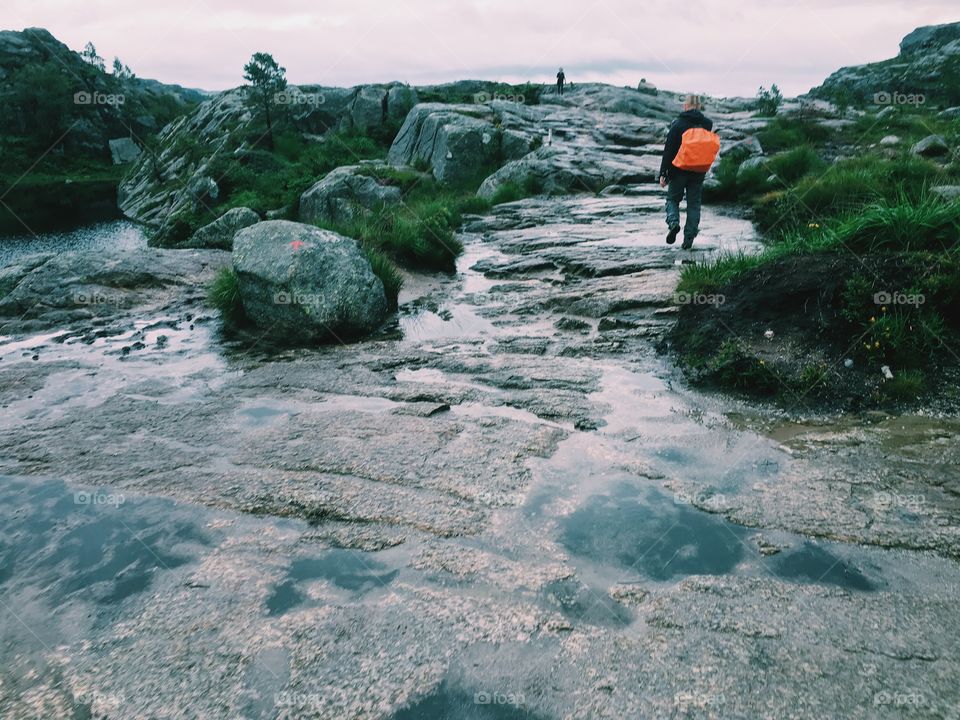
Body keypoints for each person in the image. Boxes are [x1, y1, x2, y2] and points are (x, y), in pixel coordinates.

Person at [659, 94, 713, 249]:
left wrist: (663, 173)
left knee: (672, 200)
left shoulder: (678, 124)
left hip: (678, 170)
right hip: (698, 170)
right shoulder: (707, 124)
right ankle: (688, 238)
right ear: (700, 107)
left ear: (685, 106)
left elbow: (669, 150)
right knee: (694, 205)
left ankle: (674, 223)